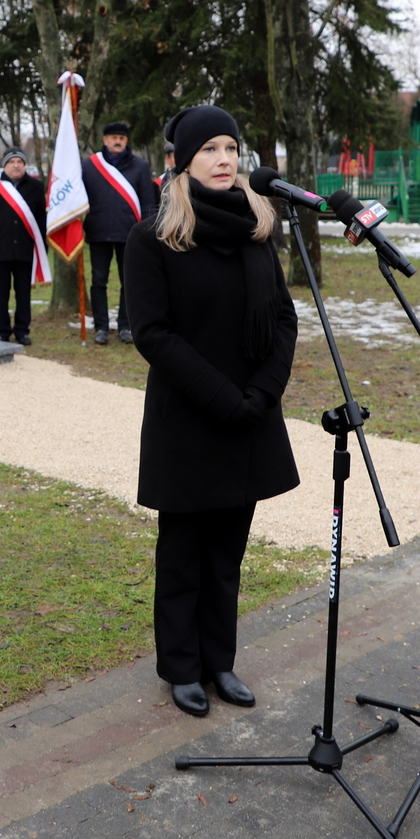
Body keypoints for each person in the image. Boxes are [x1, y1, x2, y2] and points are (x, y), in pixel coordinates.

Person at [124, 104, 299, 717]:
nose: (225, 160)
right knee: (184, 552)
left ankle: (219, 661)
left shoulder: (257, 226)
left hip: (250, 416)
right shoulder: (153, 238)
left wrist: (262, 393)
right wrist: (227, 399)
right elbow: (151, 333)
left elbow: (282, 315)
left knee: (228, 551)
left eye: (231, 148)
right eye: (210, 150)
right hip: (191, 418)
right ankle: (181, 668)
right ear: (183, 162)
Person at [80, 120, 156, 345]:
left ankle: (126, 325)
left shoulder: (140, 166)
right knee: (99, 281)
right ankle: (101, 327)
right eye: (113, 137)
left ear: (126, 141)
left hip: (130, 234)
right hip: (98, 231)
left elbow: (148, 203)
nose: (117, 141)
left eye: (121, 138)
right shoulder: (90, 166)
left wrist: (147, 233)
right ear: (105, 140)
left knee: (129, 282)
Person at [0, 148, 47, 345]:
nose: (16, 165)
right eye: (12, 162)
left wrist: (42, 248)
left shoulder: (36, 186)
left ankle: (22, 331)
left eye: (20, 162)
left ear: (25, 165)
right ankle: (2, 330)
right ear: (4, 165)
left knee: (24, 293)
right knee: (0, 293)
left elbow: (41, 219)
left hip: (25, 249)